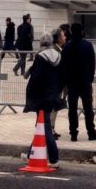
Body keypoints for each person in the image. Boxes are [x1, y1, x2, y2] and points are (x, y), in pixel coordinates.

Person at [23, 32, 63, 167]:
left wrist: (30, 94)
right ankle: (30, 154)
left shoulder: (40, 57)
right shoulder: (58, 56)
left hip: (41, 95)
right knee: (41, 125)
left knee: (44, 126)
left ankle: (54, 158)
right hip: (53, 94)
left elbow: (36, 77)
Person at [60, 22, 96, 141]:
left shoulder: (67, 46)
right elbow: (92, 63)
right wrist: (90, 77)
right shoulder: (88, 45)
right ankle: (91, 132)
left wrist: (66, 80)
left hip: (72, 82)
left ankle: (73, 132)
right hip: (85, 80)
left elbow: (64, 65)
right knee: (88, 107)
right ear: (82, 31)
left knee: (72, 108)